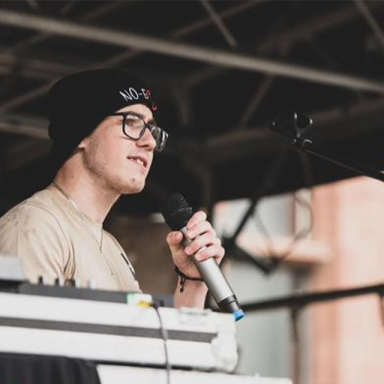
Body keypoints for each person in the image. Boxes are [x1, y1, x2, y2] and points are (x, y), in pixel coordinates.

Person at [0, 69, 224, 308]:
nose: (149, 142)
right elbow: (23, 340)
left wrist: (193, 280)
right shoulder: (36, 225)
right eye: (132, 122)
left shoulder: (111, 246)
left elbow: (141, 344)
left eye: (152, 131)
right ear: (82, 133)